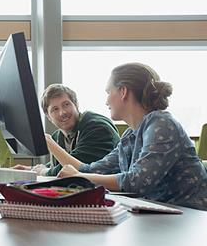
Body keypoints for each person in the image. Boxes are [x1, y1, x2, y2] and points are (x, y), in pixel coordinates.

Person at [52, 63, 207, 211]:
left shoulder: (162, 124)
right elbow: (94, 170)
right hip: (159, 216)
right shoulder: (130, 136)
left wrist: (80, 177)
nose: (106, 101)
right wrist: (75, 173)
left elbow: (137, 181)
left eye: (108, 92)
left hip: (189, 219)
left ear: (123, 91)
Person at [14, 84, 120, 176]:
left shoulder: (97, 127)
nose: (62, 112)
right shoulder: (58, 136)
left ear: (76, 104)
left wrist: (43, 171)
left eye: (66, 104)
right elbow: (58, 165)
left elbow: (74, 169)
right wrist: (30, 170)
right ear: (48, 117)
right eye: (55, 109)